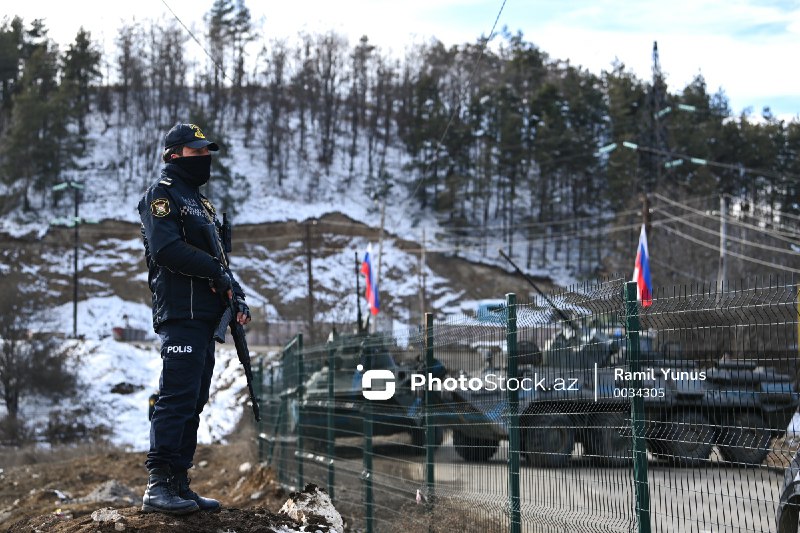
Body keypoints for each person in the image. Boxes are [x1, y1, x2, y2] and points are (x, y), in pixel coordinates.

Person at [137, 123, 251, 515]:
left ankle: (179, 482)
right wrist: (217, 274)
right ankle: (158, 484)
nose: (205, 158)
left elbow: (219, 263)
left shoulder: (202, 205)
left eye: (207, 151)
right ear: (174, 155)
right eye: (196, 151)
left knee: (195, 400)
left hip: (204, 317)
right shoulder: (162, 196)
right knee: (176, 398)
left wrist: (236, 294)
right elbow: (167, 250)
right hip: (180, 313)